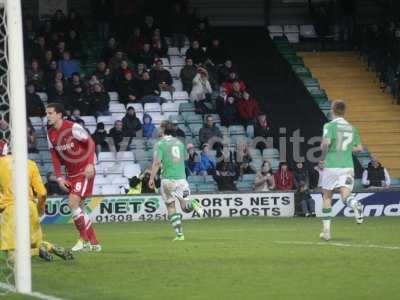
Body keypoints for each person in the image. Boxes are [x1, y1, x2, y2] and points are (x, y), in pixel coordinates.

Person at [0, 140, 73, 262]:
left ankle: (38, 251)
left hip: (11, 210)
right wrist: (39, 209)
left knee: (11, 255)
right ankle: (49, 247)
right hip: (30, 208)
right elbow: (42, 193)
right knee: (31, 241)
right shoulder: (30, 164)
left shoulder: (1, 164)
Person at [46, 103, 101, 252]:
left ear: (59, 115)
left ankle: (83, 239)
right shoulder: (50, 133)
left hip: (84, 171)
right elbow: (55, 156)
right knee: (79, 208)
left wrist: (90, 164)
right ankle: (94, 243)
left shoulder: (73, 127)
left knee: (72, 203)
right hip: (71, 174)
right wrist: (59, 177)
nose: (48, 116)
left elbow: (90, 143)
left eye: (50, 113)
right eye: (47, 113)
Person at [149, 121, 203, 241]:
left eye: (160, 127)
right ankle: (193, 203)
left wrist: (151, 178)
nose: (159, 130)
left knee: (170, 206)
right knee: (185, 207)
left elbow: (157, 162)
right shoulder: (179, 143)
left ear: (163, 129)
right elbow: (185, 157)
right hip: (182, 179)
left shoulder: (160, 144)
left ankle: (180, 234)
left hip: (168, 179)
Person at [320, 100, 364, 241]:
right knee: (345, 197)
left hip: (332, 166)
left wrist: (322, 158)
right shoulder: (352, 128)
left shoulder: (329, 125)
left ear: (333, 110)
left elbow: (326, 143)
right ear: (344, 111)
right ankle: (354, 204)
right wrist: (345, 148)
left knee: (327, 197)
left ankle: (326, 232)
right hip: (347, 167)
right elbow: (360, 148)